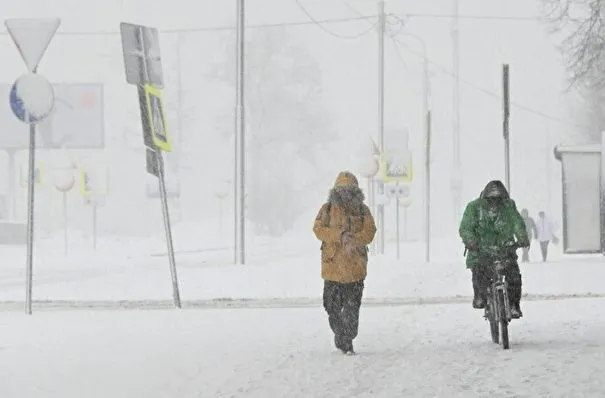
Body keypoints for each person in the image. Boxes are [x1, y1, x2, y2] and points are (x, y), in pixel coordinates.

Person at [313, 171, 377, 355]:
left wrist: (354, 240)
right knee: (330, 306)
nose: (346, 194)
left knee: (351, 309)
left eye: (350, 190)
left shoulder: (363, 211)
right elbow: (318, 229)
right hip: (332, 269)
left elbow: (370, 232)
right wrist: (338, 236)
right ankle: (342, 336)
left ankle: (347, 339)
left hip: (355, 270)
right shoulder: (327, 209)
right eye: (342, 190)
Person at [458, 180, 530, 319]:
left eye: (498, 199)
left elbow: (517, 223)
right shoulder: (474, 208)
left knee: (514, 276)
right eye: (491, 199)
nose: (495, 202)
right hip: (481, 250)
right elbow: (465, 227)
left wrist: (522, 238)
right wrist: (471, 241)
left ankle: (514, 305)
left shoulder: (509, 207)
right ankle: (480, 297)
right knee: (479, 271)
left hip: (505, 249)